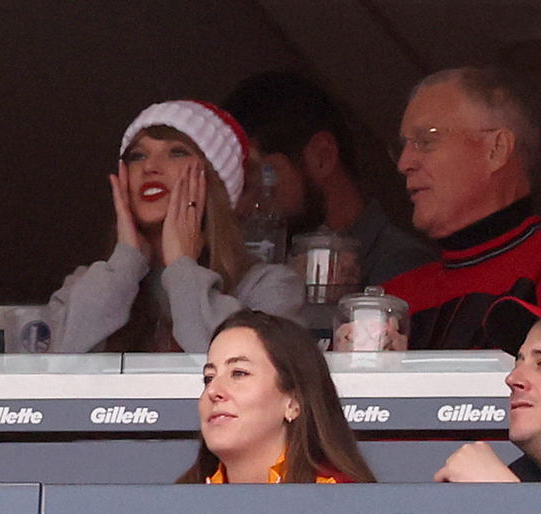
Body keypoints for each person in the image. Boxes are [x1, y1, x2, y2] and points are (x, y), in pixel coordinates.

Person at [50, 100, 305, 353]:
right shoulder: (83, 286)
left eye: (177, 152)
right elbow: (56, 369)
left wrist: (182, 268)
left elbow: (247, 370)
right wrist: (125, 260)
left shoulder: (269, 287)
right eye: (137, 156)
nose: (150, 167)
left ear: (215, 182)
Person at [223, 70, 437, 287]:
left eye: (252, 179)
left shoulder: (404, 270)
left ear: (322, 156)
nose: (239, 206)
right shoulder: (269, 267)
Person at [383, 66, 541, 353]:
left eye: (426, 141)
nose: (404, 163)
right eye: (404, 146)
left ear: (497, 149)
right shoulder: (392, 301)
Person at [177, 309, 375, 483]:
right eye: (208, 378)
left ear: (293, 402)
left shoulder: (341, 500)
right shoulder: (175, 502)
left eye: (239, 373)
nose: (213, 391)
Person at [435, 296, 541, 482]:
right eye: (518, 361)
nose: (512, 378)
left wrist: (503, 496)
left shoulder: (502, 483)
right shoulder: (521, 475)